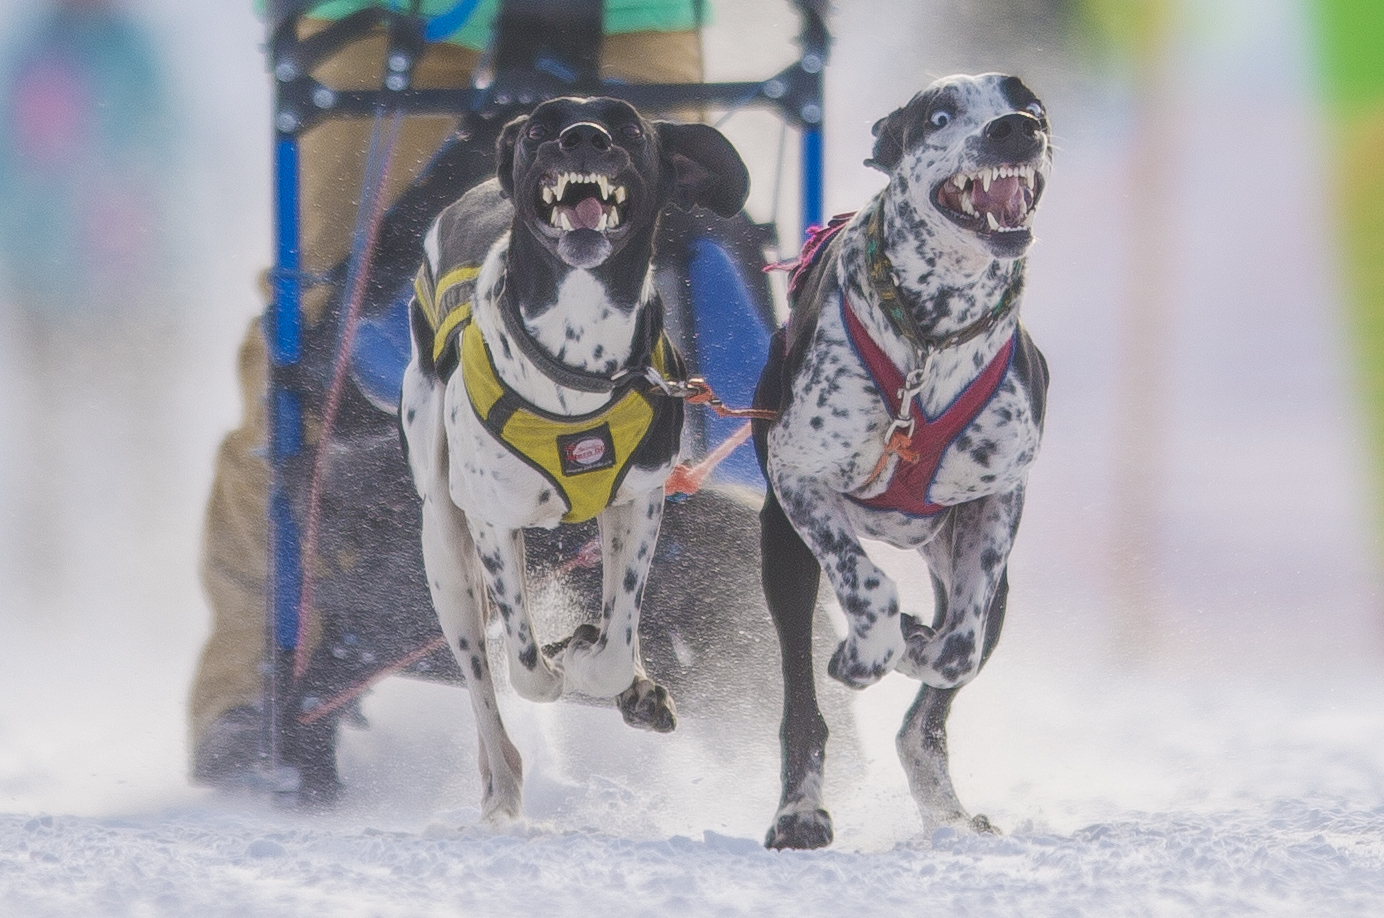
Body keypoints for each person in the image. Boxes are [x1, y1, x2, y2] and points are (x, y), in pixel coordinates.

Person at [189, 0, 708, 796]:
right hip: (388, 19)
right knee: (313, 321)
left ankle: (758, 648)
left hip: (634, 16)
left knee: (695, 299)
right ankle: (251, 685)